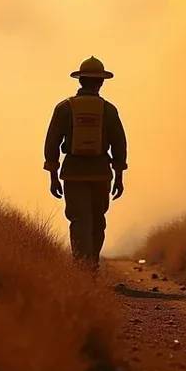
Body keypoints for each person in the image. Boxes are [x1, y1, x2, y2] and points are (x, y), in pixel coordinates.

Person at [43, 56, 127, 271]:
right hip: (101, 173)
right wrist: (119, 177)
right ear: (101, 82)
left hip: (72, 172)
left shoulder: (64, 108)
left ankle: (82, 267)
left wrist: (53, 177)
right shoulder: (109, 110)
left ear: (80, 81)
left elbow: (52, 143)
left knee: (79, 220)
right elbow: (119, 145)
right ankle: (93, 263)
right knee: (98, 220)